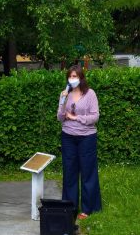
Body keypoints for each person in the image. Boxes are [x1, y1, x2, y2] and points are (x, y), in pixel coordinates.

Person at [57, 65, 102, 220]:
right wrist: (62, 102)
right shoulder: (65, 94)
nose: (72, 79)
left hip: (87, 138)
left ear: (81, 78)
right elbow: (60, 117)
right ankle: (70, 207)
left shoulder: (90, 94)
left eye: (75, 76)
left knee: (88, 172)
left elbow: (94, 117)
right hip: (68, 136)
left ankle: (88, 209)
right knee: (69, 172)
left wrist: (76, 118)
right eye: (70, 76)